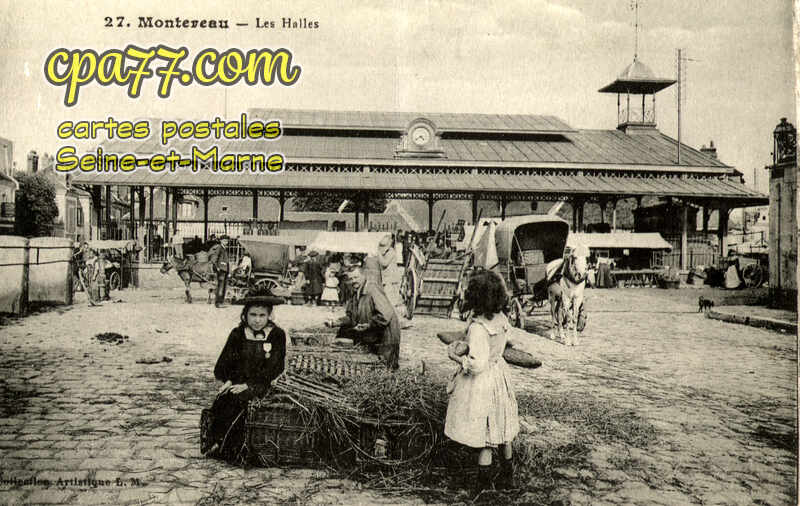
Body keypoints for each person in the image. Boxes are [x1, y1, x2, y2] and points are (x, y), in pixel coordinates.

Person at [444, 270, 520, 493]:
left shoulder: (478, 327)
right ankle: (507, 477)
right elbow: (509, 341)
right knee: (503, 430)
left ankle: (483, 485)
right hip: (499, 376)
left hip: (483, 383)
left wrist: (456, 357)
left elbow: (477, 364)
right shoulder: (502, 319)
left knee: (486, 434)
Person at [202, 290, 287, 461]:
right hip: (238, 381)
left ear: (269, 315)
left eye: (262, 315)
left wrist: (249, 385)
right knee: (224, 399)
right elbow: (226, 361)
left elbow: (275, 367)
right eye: (253, 315)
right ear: (245, 315)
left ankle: (237, 449)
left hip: (264, 383)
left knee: (240, 401)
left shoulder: (277, 334)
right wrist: (228, 380)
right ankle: (219, 442)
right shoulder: (238, 333)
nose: (257, 320)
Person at [327, 267, 400, 370]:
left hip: (386, 334)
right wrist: (336, 322)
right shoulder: (354, 293)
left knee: (386, 366)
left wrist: (369, 324)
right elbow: (351, 317)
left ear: (363, 276)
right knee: (371, 366)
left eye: (356, 277)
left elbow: (385, 315)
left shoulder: (372, 290)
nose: (353, 281)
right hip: (371, 333)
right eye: (351, 279)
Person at [210, 235, 230, 307]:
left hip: (225, 270)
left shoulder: (224, 248)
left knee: (223, 287)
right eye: (224, 240)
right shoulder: (219, 248)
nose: (226, 242)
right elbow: (214, 259)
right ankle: (218, 303)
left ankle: (221, 302)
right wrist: (217, 267)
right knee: (220, 287)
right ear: (221, 241)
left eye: (227, 241)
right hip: (221, 270)